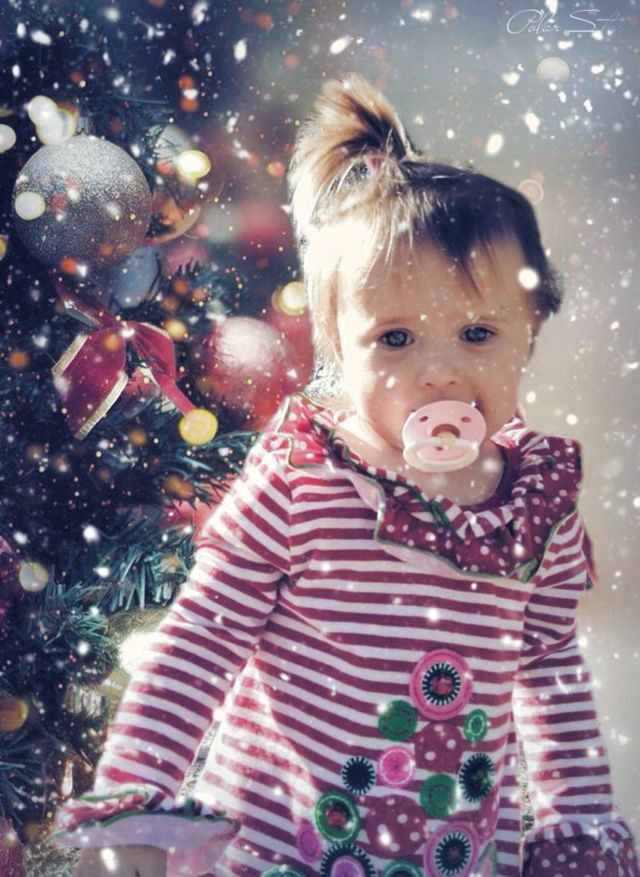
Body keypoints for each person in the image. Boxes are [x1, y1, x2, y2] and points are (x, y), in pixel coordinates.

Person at [54, 74, 639, 877]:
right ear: (337, 339)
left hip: (459, 855)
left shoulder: (533, 505)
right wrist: (137, 799)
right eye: (396, 338)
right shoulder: (304, 480)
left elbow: (549, 671)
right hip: (279, 850)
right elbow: (200, 640)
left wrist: (576, 822)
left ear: (529, 333)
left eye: (477, 333)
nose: (439, 371)